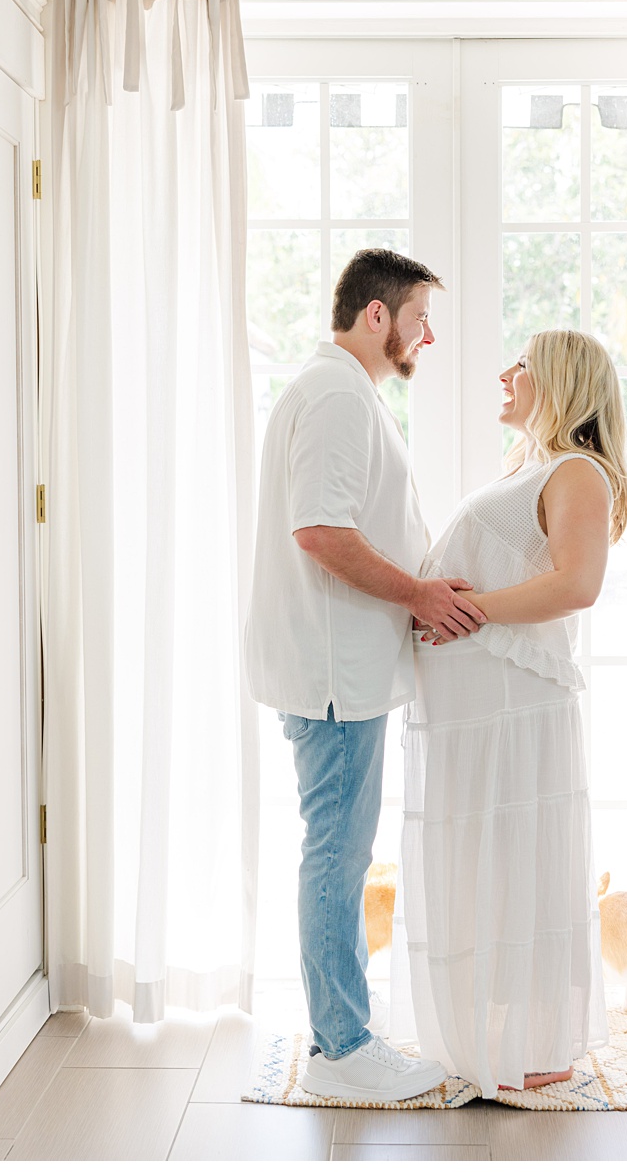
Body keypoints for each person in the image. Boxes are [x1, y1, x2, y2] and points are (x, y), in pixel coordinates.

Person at [245, 248, 482, 1103]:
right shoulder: (340, 394)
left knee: (338, 852)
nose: (429, 334)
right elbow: (321, 530)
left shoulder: (336, 390)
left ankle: (344, 1035)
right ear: (376, 316)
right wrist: (419, 591)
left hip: (333, 665)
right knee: (339, 856)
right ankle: (343, 1047)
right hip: (334, 672)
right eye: (420, 316)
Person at [391, 327, 627, 1094]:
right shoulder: (534, 468)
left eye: (519, 365)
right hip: (476, 714)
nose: (504, 374)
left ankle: (534, 1045)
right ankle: (492, 1035)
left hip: (512, 711)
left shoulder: (577, 472)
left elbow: (578, 583)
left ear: (558, 380)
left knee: (519, 858)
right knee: (480, 866)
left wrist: (473, 611)